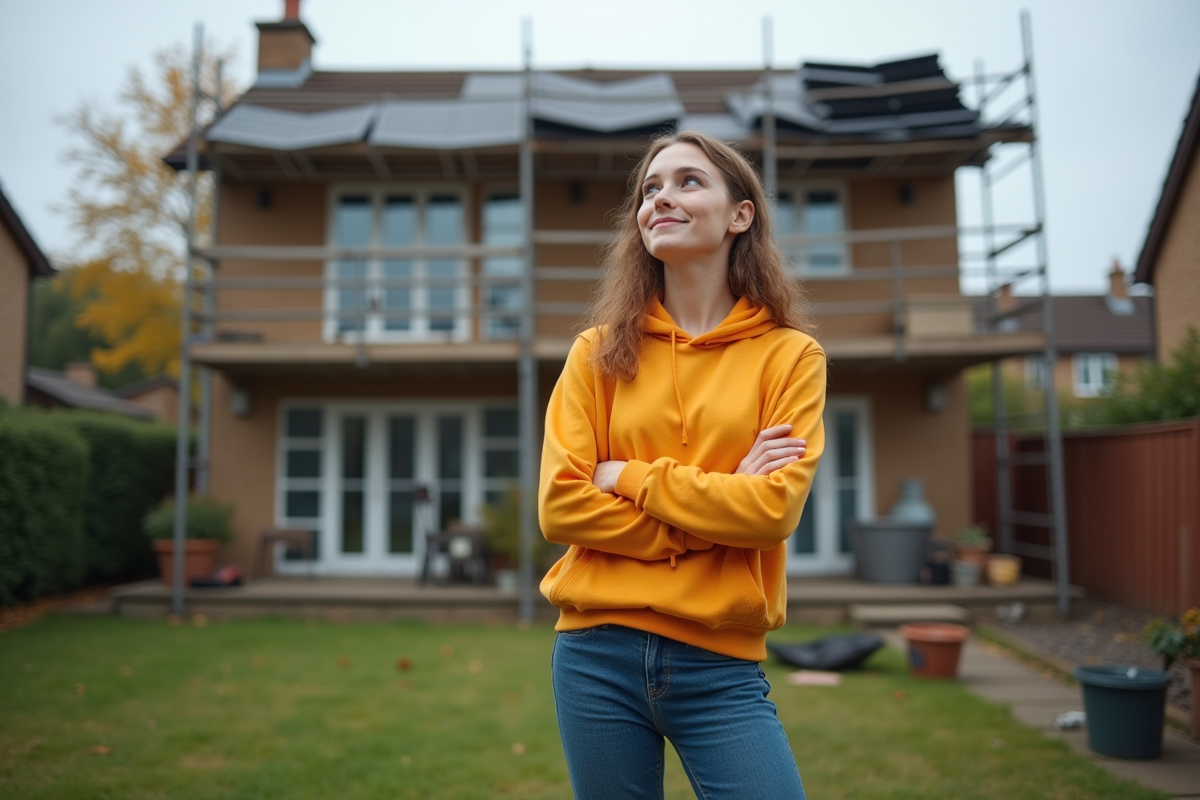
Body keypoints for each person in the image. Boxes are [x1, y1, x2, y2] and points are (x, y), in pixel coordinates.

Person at [538, 130, 826, 800]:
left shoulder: (790, 358)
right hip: (594, 653)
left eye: (688, 181)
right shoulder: (597, 352)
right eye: (650, 188)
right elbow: (560, 507)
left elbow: (771, 512)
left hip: (720, 664)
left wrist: (630, 478)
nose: (660, 197)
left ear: (739, 214)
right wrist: (713, 518)